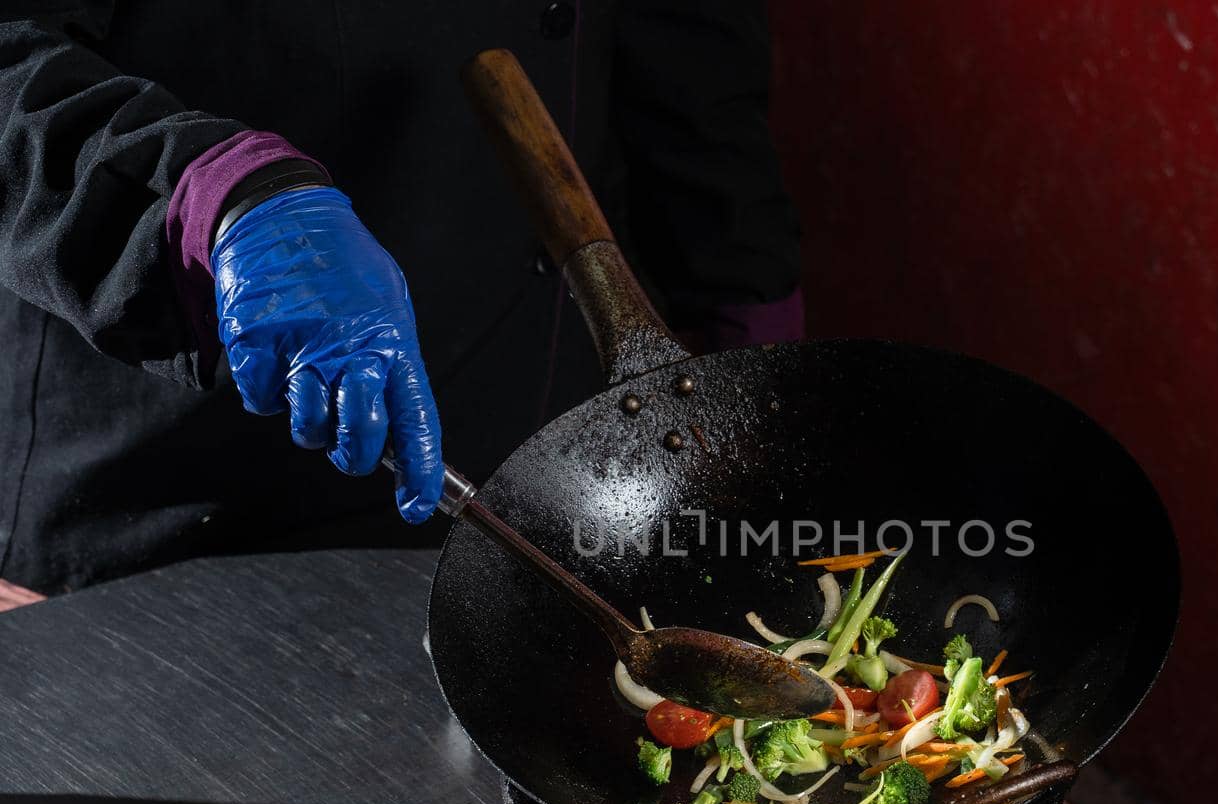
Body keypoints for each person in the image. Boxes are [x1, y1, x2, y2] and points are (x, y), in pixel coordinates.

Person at [0, 1, 803, 596]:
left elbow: (692, 51)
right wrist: (212, 196)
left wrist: (747, 307)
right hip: (170, 494)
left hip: (537, 461)